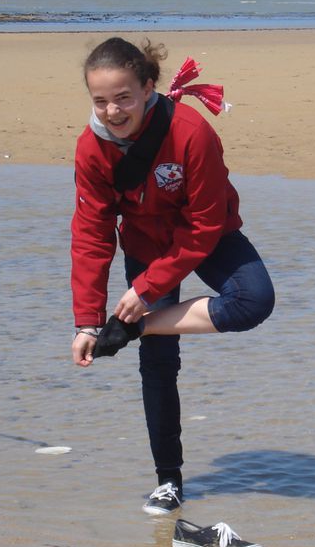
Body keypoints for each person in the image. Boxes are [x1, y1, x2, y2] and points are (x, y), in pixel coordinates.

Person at [70, 37, 275, 515]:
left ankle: (138, 326)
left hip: (207, 235)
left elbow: (204, 224)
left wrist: (144, 296)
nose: (112, 110)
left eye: (123, 97)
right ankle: (168, 480)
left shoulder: (190, 133)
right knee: (159, 365)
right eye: (100, 100)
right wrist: (86, 320)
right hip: (145, 244)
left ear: (147, 88)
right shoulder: (91, 149)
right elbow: (91, 234)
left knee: (254, 300)